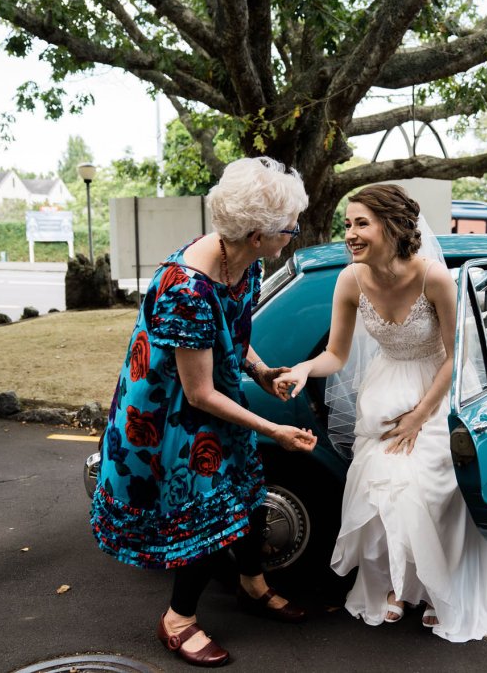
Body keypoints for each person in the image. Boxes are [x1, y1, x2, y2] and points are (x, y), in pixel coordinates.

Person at [90, 157, 317, 668]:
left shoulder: (245, 260)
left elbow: (234, 336)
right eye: (290, 229)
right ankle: (178, 620)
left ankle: (252, 585)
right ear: (258, 233)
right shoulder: (187, 289)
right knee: (205, 517)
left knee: (251, 498)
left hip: (212, 396)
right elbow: (197, 395)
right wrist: (273, 428)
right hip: (170, 414)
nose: (294, 235)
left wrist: (259, 373)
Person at [273, 184, 487, 642]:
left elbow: (456, 357)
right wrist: (307, 368)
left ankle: (435, 591)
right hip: (384, 393)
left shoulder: (434, 278)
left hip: (435, 394)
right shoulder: (350, 280)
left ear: (391, 226)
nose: (349, 233)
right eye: (347, 224)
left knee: (430, 490)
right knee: (380, 490)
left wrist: (420, 415)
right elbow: (336, 353)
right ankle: (397, 586)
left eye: (360, 223)